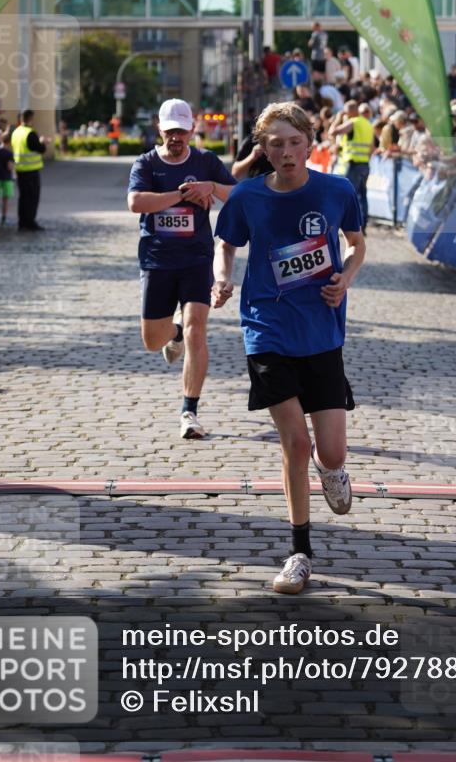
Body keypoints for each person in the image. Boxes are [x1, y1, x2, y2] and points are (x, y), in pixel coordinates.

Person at [212, 103, 365, 594]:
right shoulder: (247, 197)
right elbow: (226, 243)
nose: (285, 152)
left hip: (321, 331)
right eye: (274, 144)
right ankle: (299, 551)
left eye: (294, 142)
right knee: (295, 443)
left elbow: (357, 244)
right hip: (266, 328)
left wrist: (345, 278)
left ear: (309, 141)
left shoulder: (337, 190)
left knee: (332, 451)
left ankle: (332, 470)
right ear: (263, 148)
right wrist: (222, 279)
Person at [127, 98, 236, 439]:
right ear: (160, 129)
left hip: (195, 258)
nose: (176, 137)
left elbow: (237, 194)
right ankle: (171, 334)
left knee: (196, 329)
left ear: (192, 130)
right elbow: (136, 202)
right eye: (170, 130)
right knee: (151, 340)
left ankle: (189, 411)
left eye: (182, 131)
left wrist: (211, 188)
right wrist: (180, 194)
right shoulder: (145, 163)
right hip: (157, 260)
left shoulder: (205, 161)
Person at [329, 100, 374, 233]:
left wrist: (338, 118)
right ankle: (362, 226)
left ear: (350, 111)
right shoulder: (368, 124)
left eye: (345, 112)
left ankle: (348, 227)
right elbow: (371, 147)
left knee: (347, 195)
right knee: (362, 196)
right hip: (365, 164)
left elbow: (333, 132)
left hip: (354, 164)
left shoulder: (353, 122)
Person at [10, 109, 48, 231]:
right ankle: (30, 222)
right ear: (30, 119)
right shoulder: (30, 133)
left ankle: (22, 222)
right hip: (31, 170)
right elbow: (39, 149)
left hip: (20, 169)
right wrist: (42, 142)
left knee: (23, 197)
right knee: (32, 198)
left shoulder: (16, 132)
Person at [0, 132, 15, 227]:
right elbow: (10, 167)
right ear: (9, 142)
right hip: (6, 178)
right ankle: (3, 218)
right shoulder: (9, 153)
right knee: (5, 199)